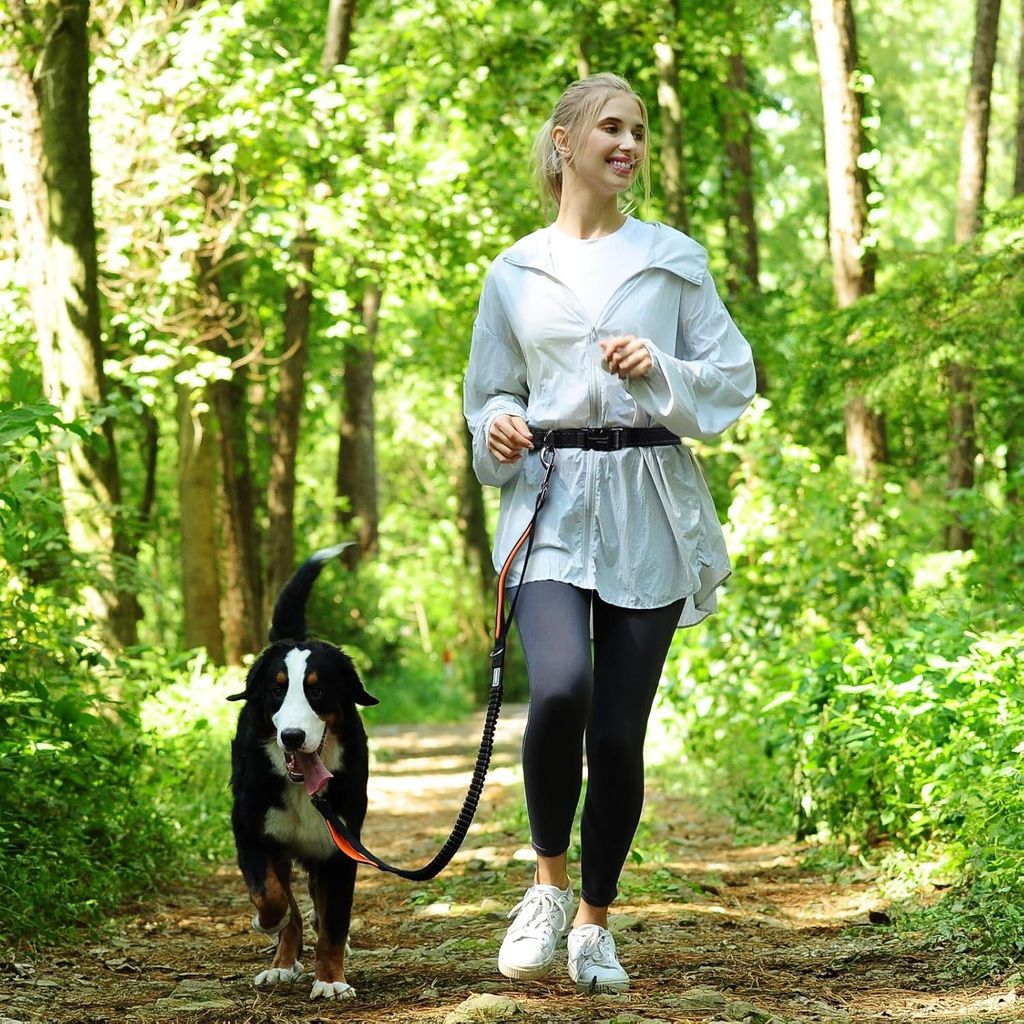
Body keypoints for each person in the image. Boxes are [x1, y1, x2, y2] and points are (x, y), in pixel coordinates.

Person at [462, 72, 756, 994]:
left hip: (649, 504)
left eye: (637, 131)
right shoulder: (513, 272)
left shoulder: (674, 258)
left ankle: (594, 922)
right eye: (610, 129)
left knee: (619, 731)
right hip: (549, 499)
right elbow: (491, 391)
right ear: (564, 141)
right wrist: (499, 427)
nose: (628, 145)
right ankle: (544, 886)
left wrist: (658, 364)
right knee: (561, 690)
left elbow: (733, 377)